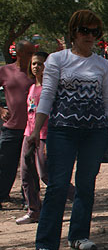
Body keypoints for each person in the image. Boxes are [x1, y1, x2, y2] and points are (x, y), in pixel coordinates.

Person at [29, 10, 108, 250]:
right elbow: (47, 95)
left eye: (95, 32)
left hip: (94, 131)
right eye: (85, 31)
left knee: (86, 184)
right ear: (73, 33)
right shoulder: (58, 60)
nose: (90, 37)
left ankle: (79, 235)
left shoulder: (102, 64)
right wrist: (37, 130)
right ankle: (45, 244)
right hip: (63, 130)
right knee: (58, 185)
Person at [17, 52, 75, 225]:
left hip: (45, 136)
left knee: (47, 175)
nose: (36, 67)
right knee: (26, 174)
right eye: (34, 64)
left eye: (40, 64)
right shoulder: (32, 88)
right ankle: (34, 210)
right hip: (29, 135)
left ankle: (79, 198)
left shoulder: (53, 89)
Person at [0, 40, 35, 209]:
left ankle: (29, 200)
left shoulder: (35, 72)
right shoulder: (5, 71)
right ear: (19, 54)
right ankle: (2, 195)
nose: (31, 56)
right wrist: (0, 110)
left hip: (31, 129)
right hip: (11, 128)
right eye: (29, 53)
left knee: (29, 167)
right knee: (5, 164)